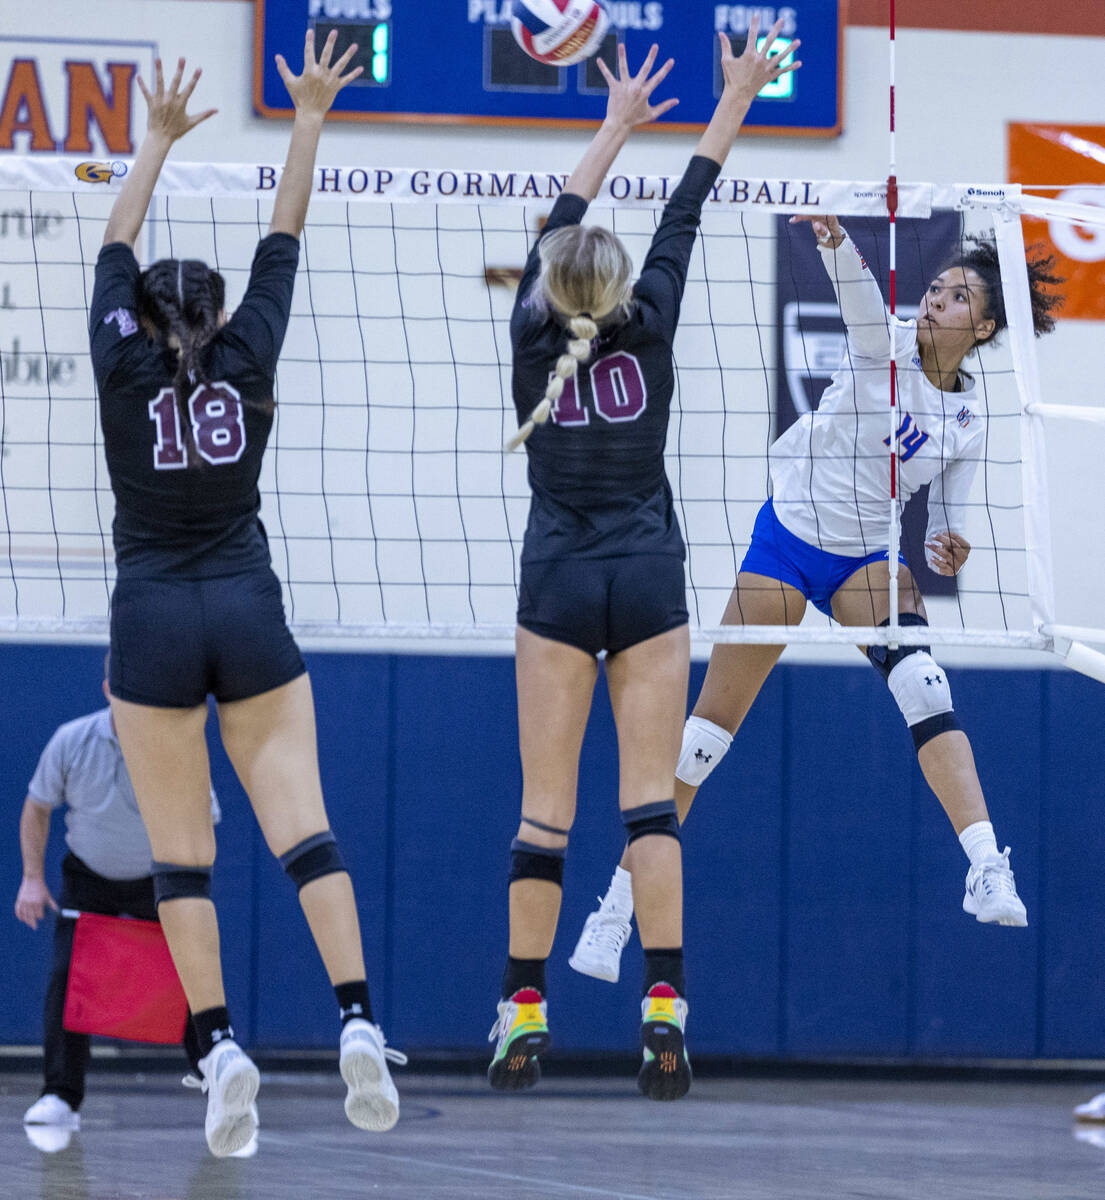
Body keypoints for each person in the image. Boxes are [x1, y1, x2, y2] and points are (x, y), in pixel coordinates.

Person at [570, 213, 1063, 984]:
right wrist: (836, 244)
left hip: (867, 559)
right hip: (788, 544)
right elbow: (863, 304)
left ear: (985, 325)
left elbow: (950, 514)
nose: (935, 298)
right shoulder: (884, 351)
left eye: (956, 295)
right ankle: (613, 912)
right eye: (934, 287)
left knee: (925, 685)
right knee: (701, 742)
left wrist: (950, 542)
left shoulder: (969, 414)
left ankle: (984, 867)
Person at [89, 34, 402, 1158]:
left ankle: (219, 1048)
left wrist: (155, 145)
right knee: (305, 836)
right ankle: (358, 1021)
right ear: (216, 322)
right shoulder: (249, 361)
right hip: (247, 601)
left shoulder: (122, 370)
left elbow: (115, 243)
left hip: (153, 614)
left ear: (137, 320)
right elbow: (284, 235)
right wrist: (307, 114)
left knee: (183, 860)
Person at [489, 23, 800, 1102]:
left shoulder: (533, 335)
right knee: (648, 810)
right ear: (618, 290)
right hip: (649, 576)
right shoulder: (652, 319)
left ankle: (521, 1012)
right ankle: (663, 1010)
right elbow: (688, 206)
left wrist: (612, 122)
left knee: (543, 816)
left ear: (549, 286)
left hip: (557, 582)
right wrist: (733, 100)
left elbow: (562, 225)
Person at [15, 663, 219, 1135]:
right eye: (124, 688)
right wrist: (31, 877)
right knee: (68, 977)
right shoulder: (72, 739)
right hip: (89, 875)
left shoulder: (176, 746)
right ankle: (60, 1095)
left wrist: (190, 890)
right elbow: (37, 807)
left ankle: (224, 1090)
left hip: (159, 876)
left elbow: (204, 821)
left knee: (194, 981)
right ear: (109, 689)